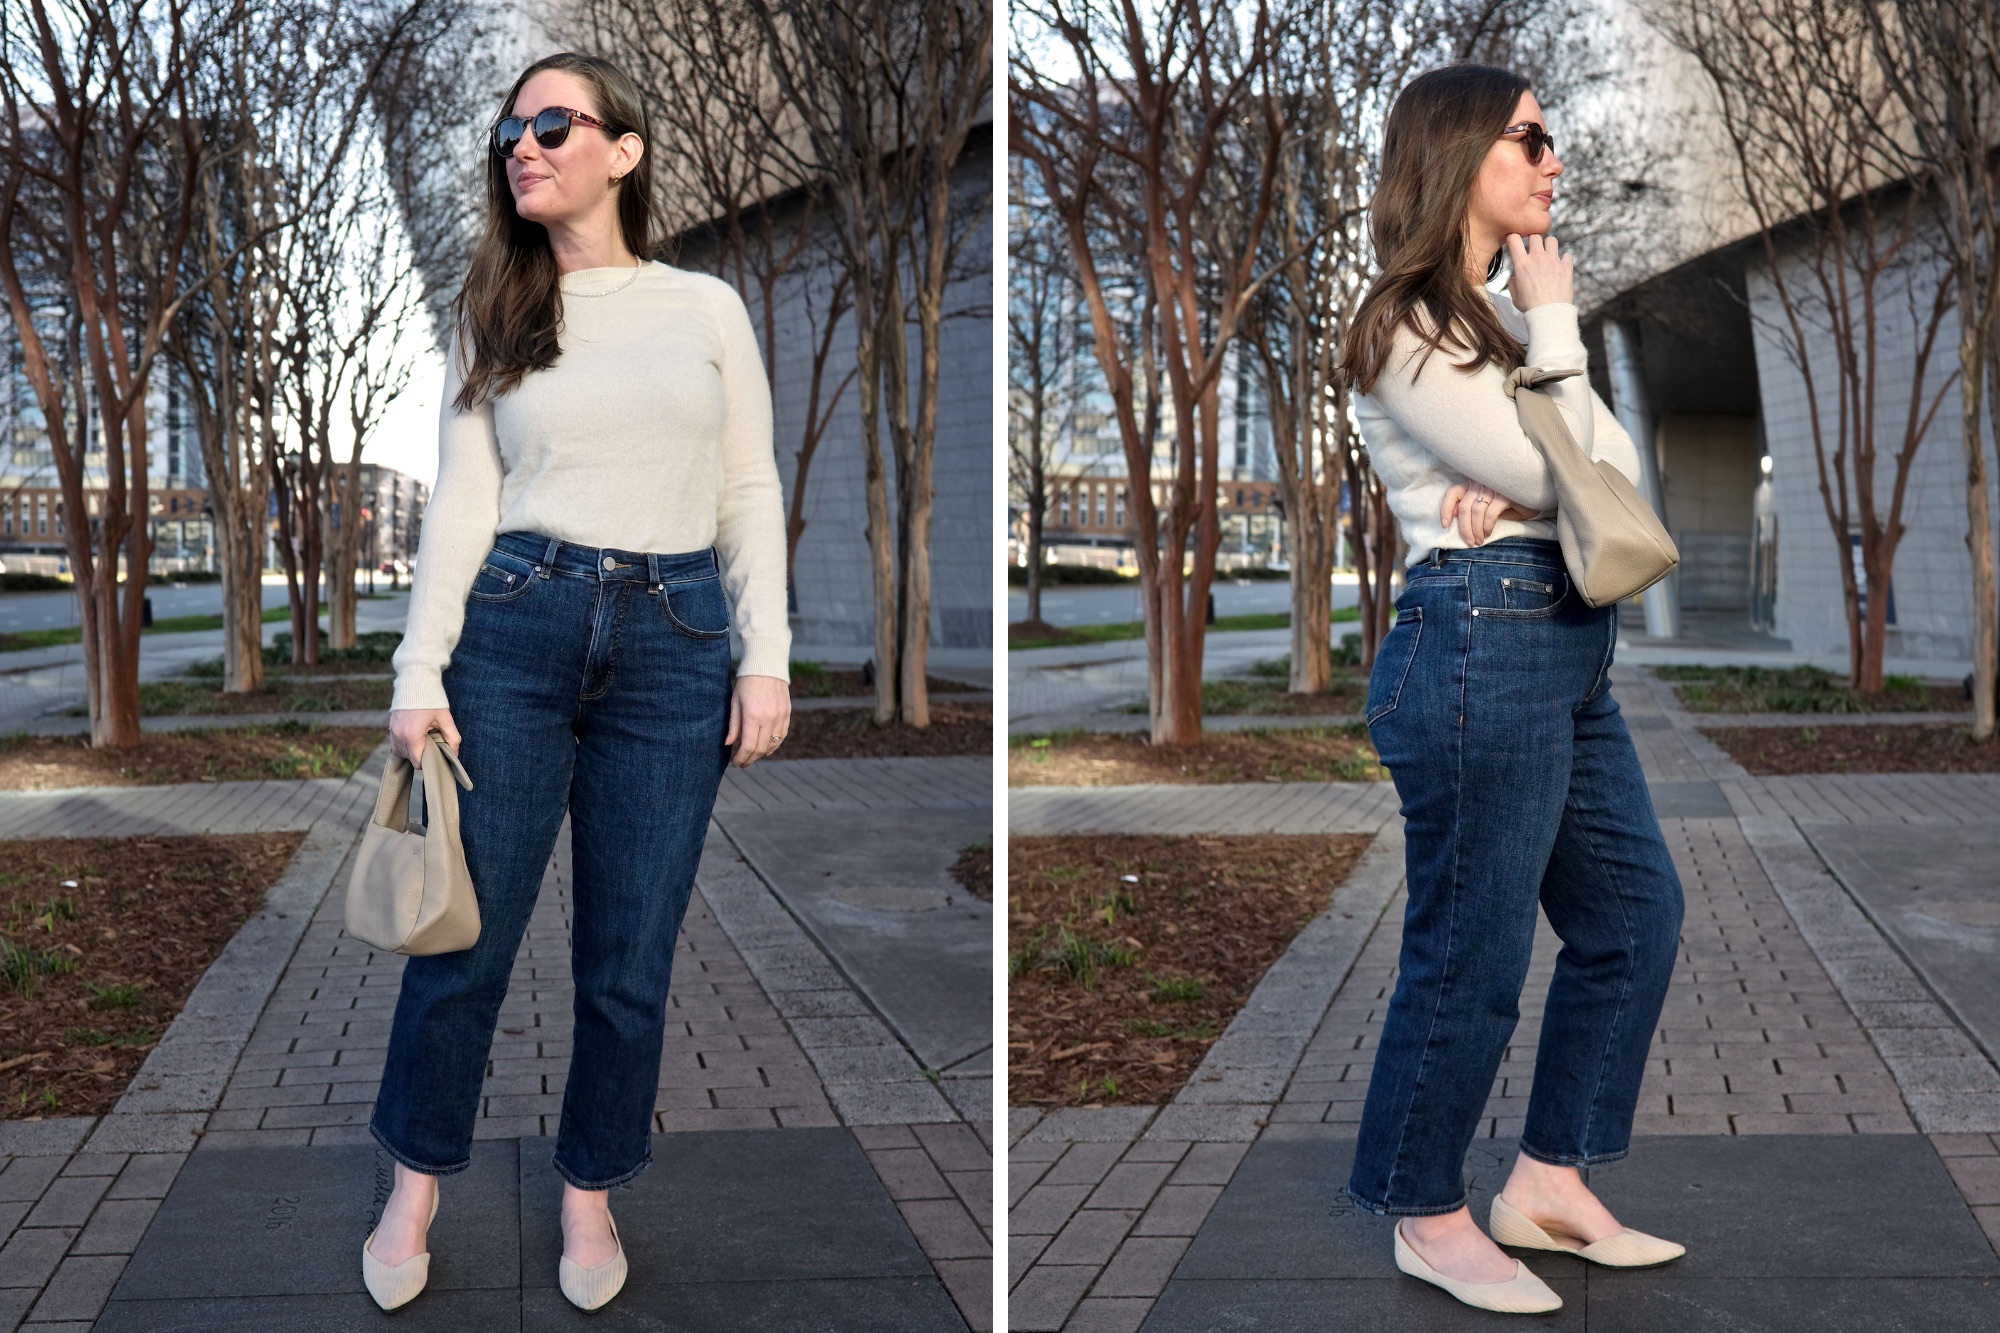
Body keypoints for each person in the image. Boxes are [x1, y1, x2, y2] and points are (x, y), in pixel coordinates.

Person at [357, 51, 791, 1314]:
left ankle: (589, 1190)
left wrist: (762, 654)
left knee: (629, 955)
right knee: (462, 937)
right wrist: (416, 670)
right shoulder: (493, 303)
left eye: (554, 122)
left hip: (674, 638)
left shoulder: (704, 306)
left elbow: (748, 486)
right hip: (515, 624)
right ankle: (415, 1182)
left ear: (626, 149)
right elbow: (463, 501)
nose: (524, 144)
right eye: (512, 129)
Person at [1336, 63, 1688, 1315]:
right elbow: (1546, 468)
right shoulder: (1397, 319)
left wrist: (1548, 383)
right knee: (1470, 952)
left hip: (1561, 635)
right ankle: (1421, 1208)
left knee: (1635, 916)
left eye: (1552, 139)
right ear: (1454, 152)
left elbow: (1611, 473)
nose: (1551, 159)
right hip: (1476, 642)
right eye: (1528, 137)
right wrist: (1552, 359)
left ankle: (1544, 1178)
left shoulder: (1497, 318)